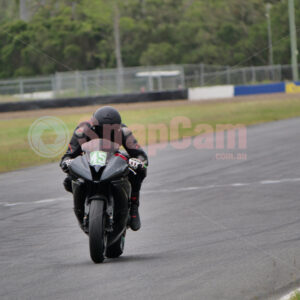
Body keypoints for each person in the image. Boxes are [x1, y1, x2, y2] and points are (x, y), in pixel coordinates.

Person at [60, 106, 148, 231]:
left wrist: (138, 162)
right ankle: (81, 204)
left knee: (138, 171)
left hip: (113, 162)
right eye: (103, 130)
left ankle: (134, 206)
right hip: (89, 163)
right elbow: (68, 155)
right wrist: (67, 162)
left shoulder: (123, 131)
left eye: (112, 130)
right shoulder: (82, 131)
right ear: (94, 127)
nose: (107, 132)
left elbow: (141, 155)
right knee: (68, 181)